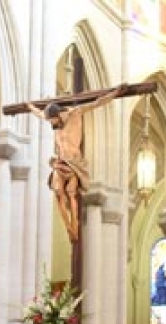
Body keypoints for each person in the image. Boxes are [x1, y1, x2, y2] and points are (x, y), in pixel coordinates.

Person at [26, 84, 128, 242]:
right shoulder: (53, 119)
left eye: (53, 121)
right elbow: (39, 113)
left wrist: (115, 93)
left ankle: (75, 224)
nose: (52, 125)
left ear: (58, 114)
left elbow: (98, 103)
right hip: (60, 161)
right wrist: (29, 106)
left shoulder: (76, 113)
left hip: (73, 163)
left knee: (71, 193)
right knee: (58, 192)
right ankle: (68, 227)